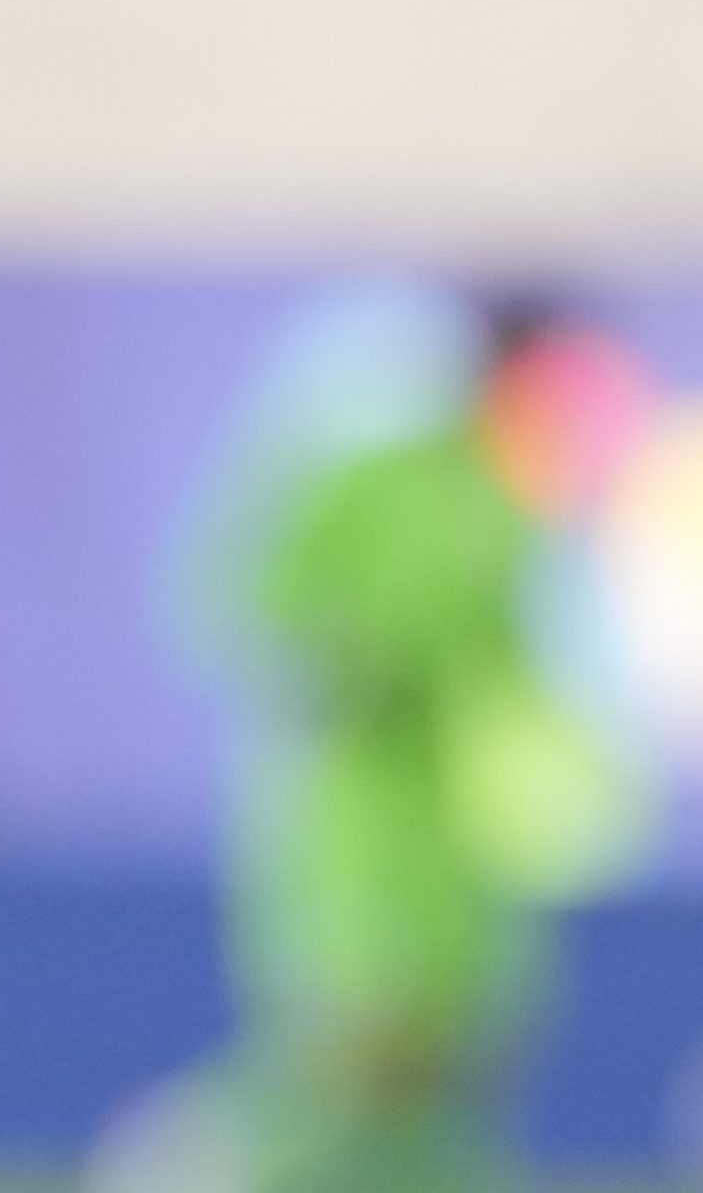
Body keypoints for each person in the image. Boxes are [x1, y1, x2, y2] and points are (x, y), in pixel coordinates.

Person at [197, 290, 656, 1193]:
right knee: (361, 1044)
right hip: (360, 819)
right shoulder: (381, 474)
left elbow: (525, 675)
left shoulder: (523, 510)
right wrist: (324, 665)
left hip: (465, 845)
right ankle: (206, 1156)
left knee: (456, 1063)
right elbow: (263, 604)